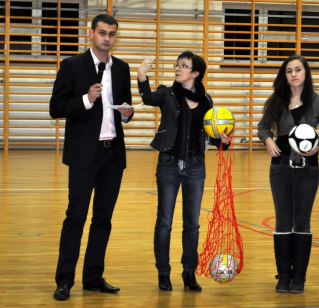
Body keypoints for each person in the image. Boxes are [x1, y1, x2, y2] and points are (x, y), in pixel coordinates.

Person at [49, 14, 133, 301]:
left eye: (111, 33)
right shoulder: (72, 65)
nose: (106, 38)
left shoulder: (122, 69)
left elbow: (124, 107)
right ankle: (64, 280)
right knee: (76, 217)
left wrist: (127, 114)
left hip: (113, 154)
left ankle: (93, 277)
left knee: (103, 219)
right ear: (91, 33)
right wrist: (86, 99)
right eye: (102, 32)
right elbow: (56, 107)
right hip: (84, 154)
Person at [137, 51, 231, 292]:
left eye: (184, 66)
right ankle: (163, 273)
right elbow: (147, 98)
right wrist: (141, 76)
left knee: (192, 224)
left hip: (195, 166)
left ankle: (189, 273)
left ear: (196, 73)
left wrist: (225, 140)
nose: (178, 69)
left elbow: (213, 137)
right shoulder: (167, 93)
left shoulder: (207, 101)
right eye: (177, 65)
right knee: (164, 222)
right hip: (168, 163)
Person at [257, 55, 319, 293]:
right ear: (285, 76)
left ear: (305, 73)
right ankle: (283, 276)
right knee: (282, 221)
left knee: (302, 221)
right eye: (289, 71)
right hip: (279, 167)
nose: (294, 74)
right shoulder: (276, 101)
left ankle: (299, 277)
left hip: (308, 169)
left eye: (298, 70)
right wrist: (268, 140)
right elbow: (262, 128)